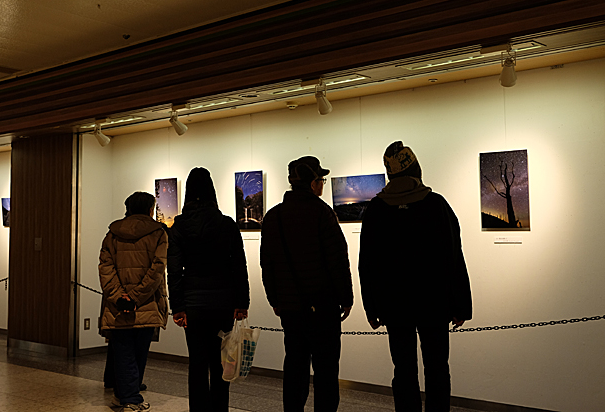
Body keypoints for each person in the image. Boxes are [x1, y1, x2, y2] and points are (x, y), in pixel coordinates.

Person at [358, 141, 473, 412]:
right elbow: (454, 258)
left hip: (394, 306)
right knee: (437, 369)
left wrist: (371, 307)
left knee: (403, 370)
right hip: (434, 304)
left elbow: (367, 264)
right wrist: (460, 305)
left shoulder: (376, 209)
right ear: (416, 170)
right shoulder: (436, 205)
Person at [260, 156, 353, 412]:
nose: (322, 184)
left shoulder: (273, 217)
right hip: (323, 307)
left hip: (290, 308)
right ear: (313, 183)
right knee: (326, 371)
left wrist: (274, 300)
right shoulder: (323, 214)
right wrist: (346, 298)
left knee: (295, 367)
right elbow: (337, 261)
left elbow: (266, 265)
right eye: (321, 179)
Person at [167, 167, 250, 412]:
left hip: (193, 305)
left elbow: (174, 271)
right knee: (221, 362)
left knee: (197, 364)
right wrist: (242, 302)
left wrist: (178, 307)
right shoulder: (226, 225)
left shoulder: (179, 227)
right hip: (223, 303)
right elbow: (239, 266)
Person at [99, 191, 169, 412]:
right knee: (138, 351)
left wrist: (120, 296)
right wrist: (137, 296)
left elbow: (105, 268)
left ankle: (123, 394)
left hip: (118, 306)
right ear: (150, 210)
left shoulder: (112, 234)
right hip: (147, 303)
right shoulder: (158, 234)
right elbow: (157, 269)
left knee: (123, 350)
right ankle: (131, 398)